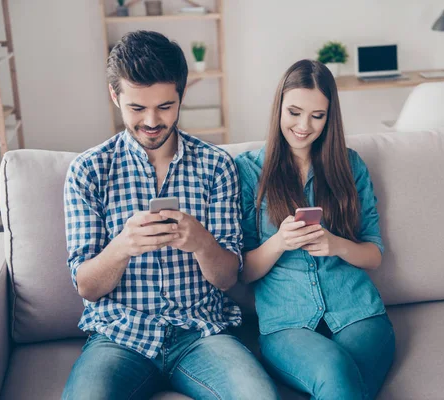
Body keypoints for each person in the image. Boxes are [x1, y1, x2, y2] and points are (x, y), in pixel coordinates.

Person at [62, 30, 278, 400]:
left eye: (164, 106)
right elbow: (87, 286)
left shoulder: (216, 166)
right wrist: (122, 247)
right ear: (115, 96)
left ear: (181, 95)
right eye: (137, 108)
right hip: (120, 336)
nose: (151, 121)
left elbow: (228, 279)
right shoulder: (89, 171)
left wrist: (202, 242)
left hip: (201, 333)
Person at [235, 59, 395, 400]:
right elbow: (242, 272)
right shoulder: (247, 172)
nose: (303, 126)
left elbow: (374, 254)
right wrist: (279, 241)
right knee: (336, 374)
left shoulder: (350, 166)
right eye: (294, 112)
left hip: (358, 311)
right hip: (286, 323)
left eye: (317, 116)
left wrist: (336, 244)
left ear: (329, 117)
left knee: (345, 385)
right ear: (278, 107)